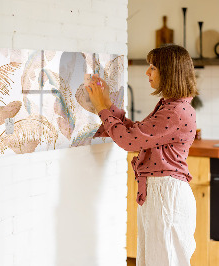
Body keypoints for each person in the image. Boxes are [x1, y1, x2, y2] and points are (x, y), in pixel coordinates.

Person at [86, 44, 198, 266]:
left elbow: (129, 141)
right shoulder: (171, 106)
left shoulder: (175, 111)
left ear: (169, 72)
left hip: (166, 195)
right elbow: (137, 134)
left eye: (153, 67)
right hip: (161, 193)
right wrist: (108, 104)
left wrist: (101, 108)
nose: (147, 72)